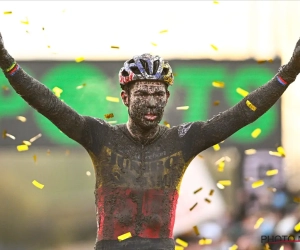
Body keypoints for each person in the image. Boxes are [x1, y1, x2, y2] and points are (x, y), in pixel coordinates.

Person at [0, 31, 299, 250]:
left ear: (168, 97)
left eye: (159, 95)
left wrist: (288, 73)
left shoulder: (183, 140)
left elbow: (241, 114)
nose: (152, 103)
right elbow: (48, 103)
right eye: (143, 94)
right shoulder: (100, 136)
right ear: (125, 97)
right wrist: (8, 64)